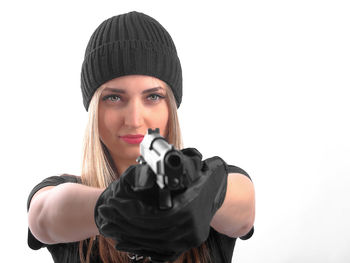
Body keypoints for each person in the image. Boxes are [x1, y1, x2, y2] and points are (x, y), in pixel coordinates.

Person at [27, 11, 255, 263]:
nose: (134, 119)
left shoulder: (208, 181)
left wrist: (205, 195)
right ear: (94, 110)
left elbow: (244, 213)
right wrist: (109, 205)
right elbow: (43, 217)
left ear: (171, 107)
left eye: (153, 97)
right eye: (114, 97)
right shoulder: (60, 190)